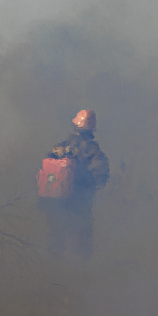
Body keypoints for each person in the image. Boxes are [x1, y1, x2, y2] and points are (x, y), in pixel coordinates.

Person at [38, 109, 109, 258]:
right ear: (92, 128)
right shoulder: (91, 149)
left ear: (75, 123)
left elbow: (46, 172)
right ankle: (77, 269)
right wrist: (88, 187)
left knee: (56, 238)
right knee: (81, 242)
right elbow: (101, 173)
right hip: (79, 204)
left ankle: (52, 266)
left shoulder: (60, 146)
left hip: (56, 201)